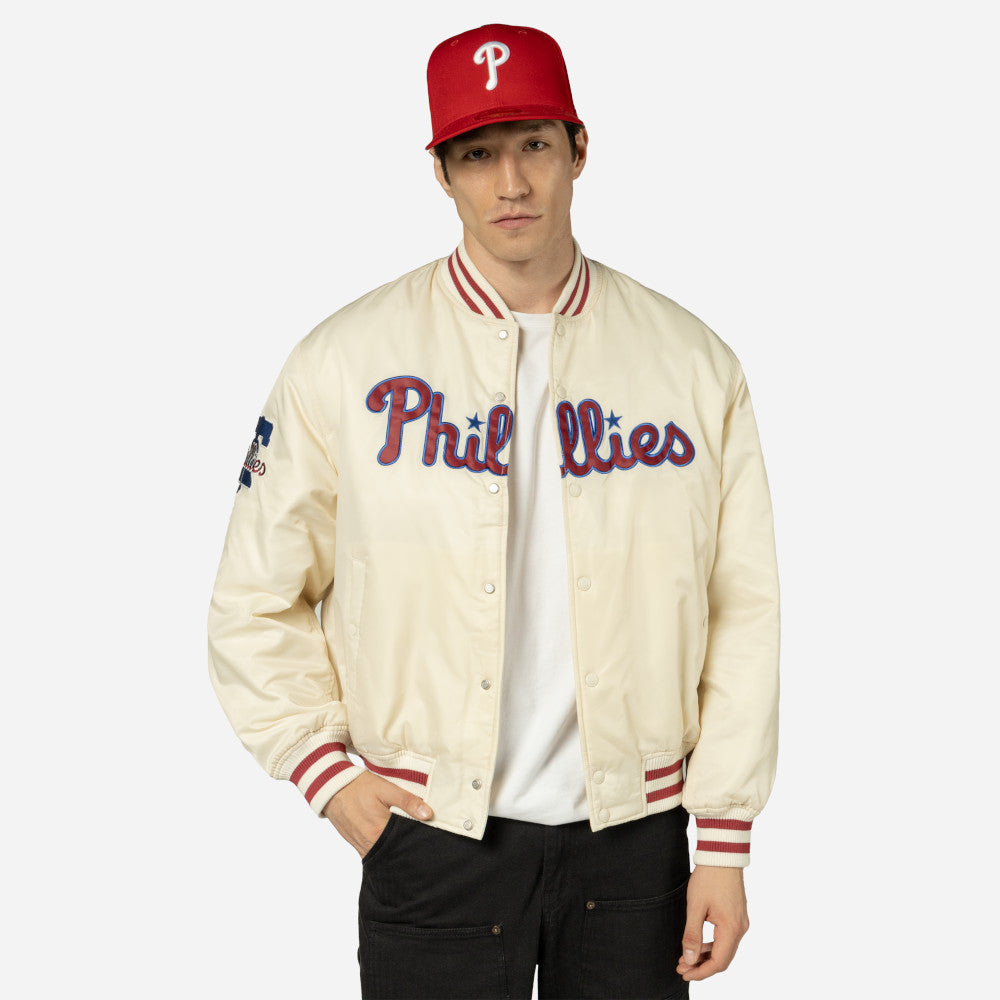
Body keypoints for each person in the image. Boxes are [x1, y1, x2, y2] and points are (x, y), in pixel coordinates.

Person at [208, 22, 779, 1000]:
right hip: (429, 833)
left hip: (634, 841)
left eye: (534, 145)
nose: (510, 183)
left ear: (578, 150)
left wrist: (722, 837)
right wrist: (329, 778)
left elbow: (744, 610)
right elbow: (253, 598)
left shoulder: (691, 364)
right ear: (441, 173)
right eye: (476, 155)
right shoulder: (345, 362)